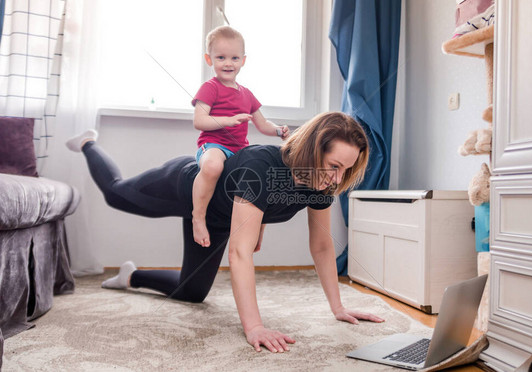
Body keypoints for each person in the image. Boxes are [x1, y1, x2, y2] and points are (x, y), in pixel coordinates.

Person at [65, 111, 384, 353]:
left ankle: (131, 276)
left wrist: (338, 308)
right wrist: (255, 327)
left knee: (192, 293)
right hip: (185, 187)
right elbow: (240, 252)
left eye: (346, 169)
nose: (337, 179)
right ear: (313, 151)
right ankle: (88, 143)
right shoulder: (260, 167)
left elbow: (323, 247)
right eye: (333, 165)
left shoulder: (321, 184)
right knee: (116, 194)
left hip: (217, 219)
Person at [192, 25, 289, 248]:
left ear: (243, 60)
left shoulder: (247, 94)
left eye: (234, 58)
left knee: (263, 177)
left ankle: (257, 230)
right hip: (213, 145)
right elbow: (199, 121)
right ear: (209, 59)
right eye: (221, 57)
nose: (228, 63)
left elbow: (262, 124)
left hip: (239, 150)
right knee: (213, 167)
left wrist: (277, 131)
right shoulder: (210, 88)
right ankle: (198, 217)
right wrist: (227, 120)